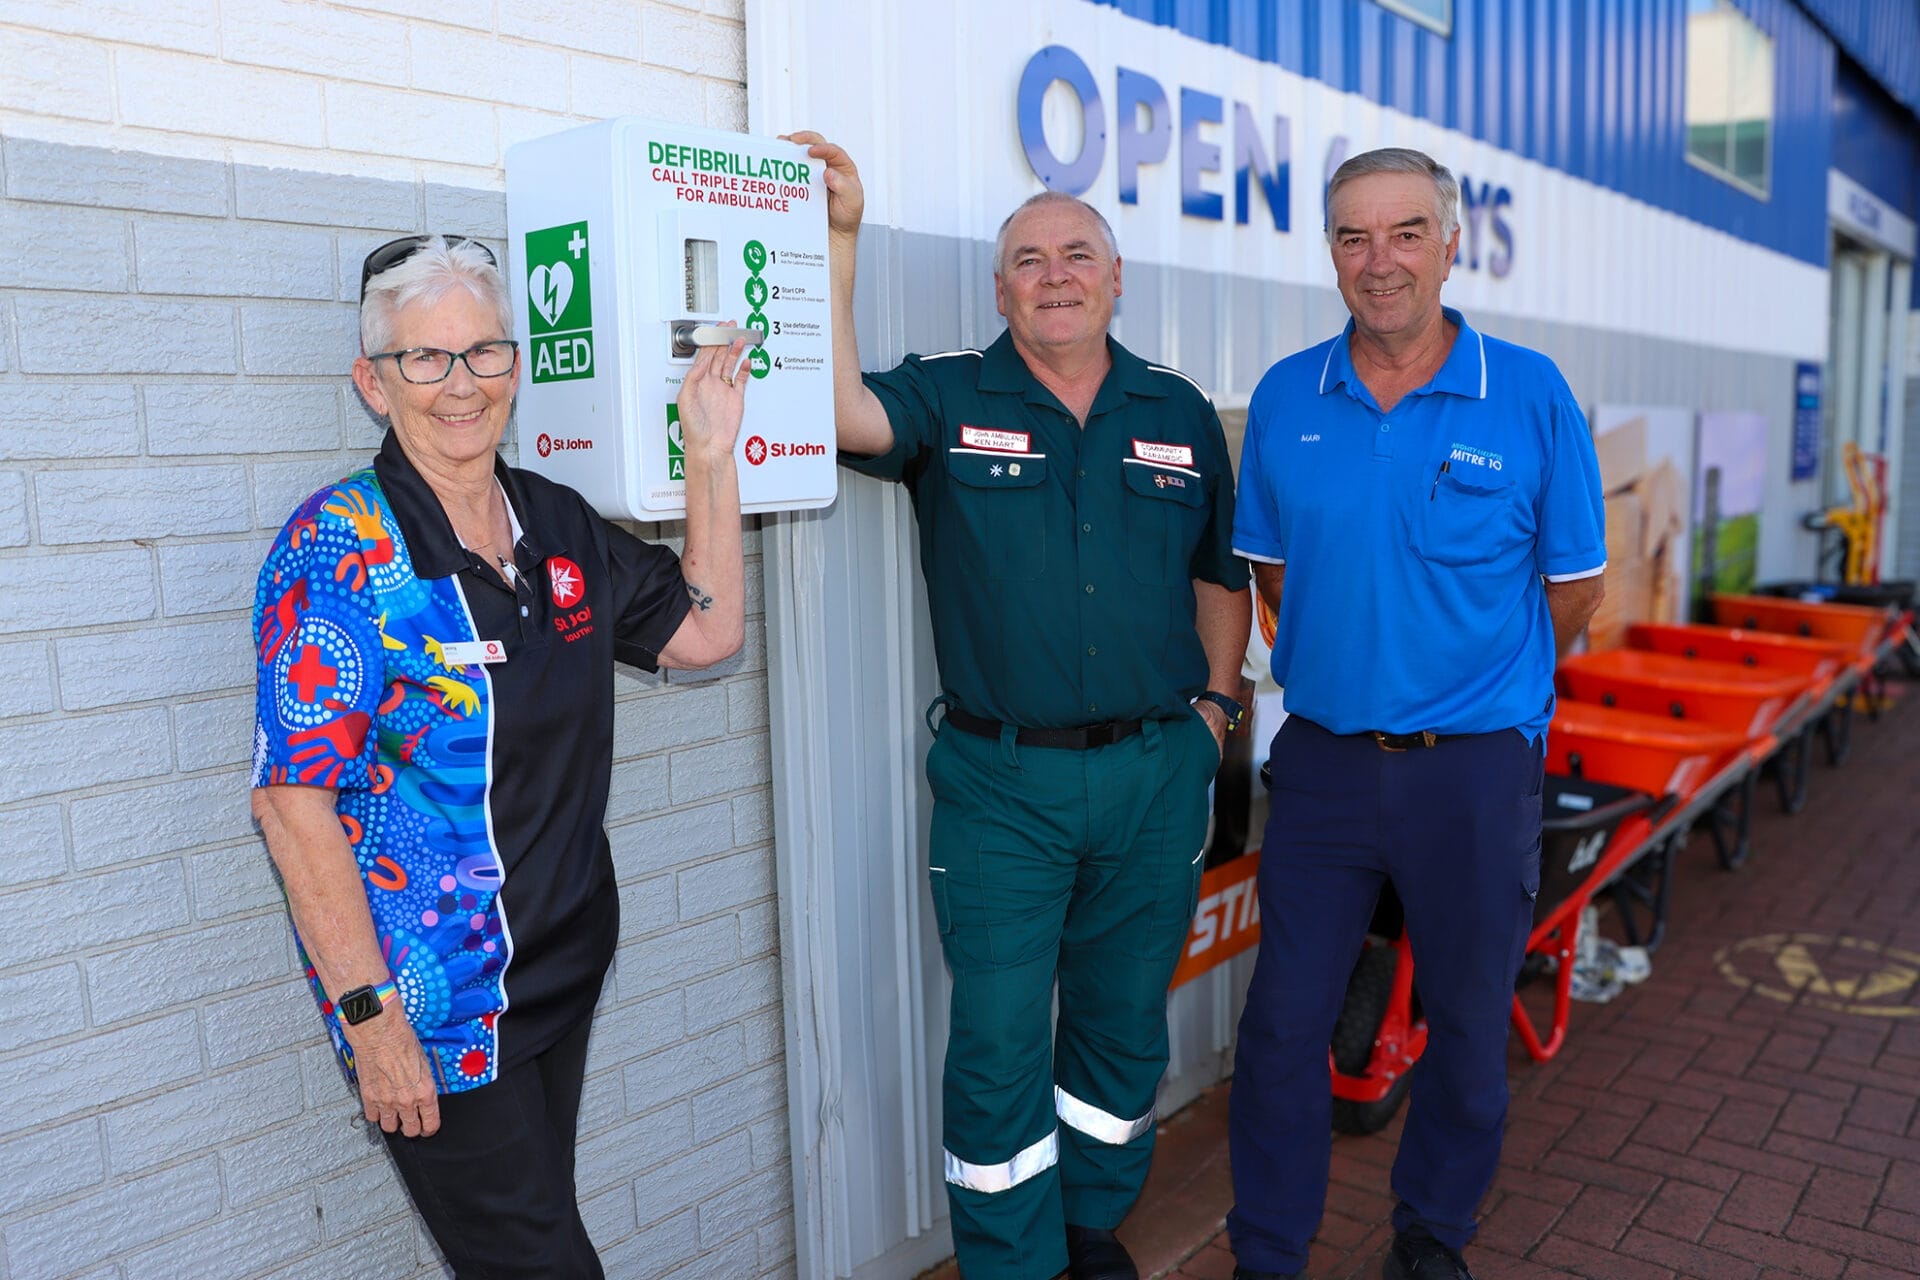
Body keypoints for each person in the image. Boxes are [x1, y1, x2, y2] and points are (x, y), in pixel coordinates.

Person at [787, 131, 1253, 1280]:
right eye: (1029, 258)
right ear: (1001, 287)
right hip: (1004, 786)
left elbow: (1219, 574)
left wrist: (1216, 715)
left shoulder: (1178, 408)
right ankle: (1012, 1259)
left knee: (1121, 1015)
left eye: (1076, 252)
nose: (1054, 273)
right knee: (997, 1041)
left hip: (1155, 772)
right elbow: (842, 412)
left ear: (1115, 275)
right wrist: (837, 240)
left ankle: (1092, 1224)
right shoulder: (951, 391)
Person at [249, 234, 749, 1278]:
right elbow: (292, 805)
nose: (459, 384)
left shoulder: (557, 524)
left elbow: (705, 633)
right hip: (436, 1009)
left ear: (515, 366)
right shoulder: (337, 553)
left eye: (481, 352)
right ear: (372, 383)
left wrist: (710, 454)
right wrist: (370, 1019)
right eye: (424, 359)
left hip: (562, 967)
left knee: (521, 1249)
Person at [1225, 148, 1606, 1280]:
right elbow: (1276, 580)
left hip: (1474, 771)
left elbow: (1575, 589)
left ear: (1450, 242)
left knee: (1469, 1037)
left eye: (1403, 232)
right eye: (1352, 235)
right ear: (1331, 251)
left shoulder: (1529, 391)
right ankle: (1267, 1250)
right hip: (1328, 766)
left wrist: (1479, 687)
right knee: (1283, 1028)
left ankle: (1431, 1236)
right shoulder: (1291, 394)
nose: (1377, 259)